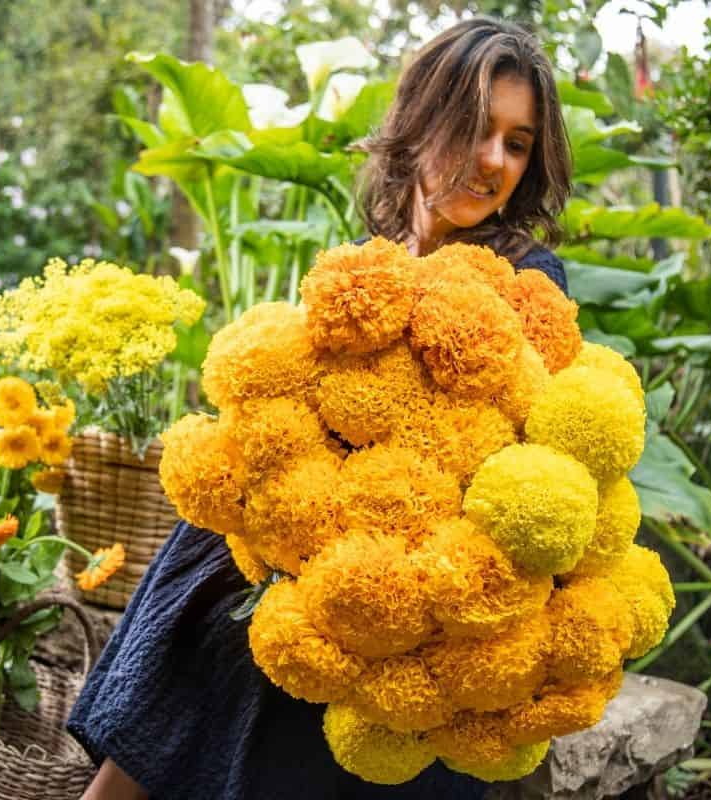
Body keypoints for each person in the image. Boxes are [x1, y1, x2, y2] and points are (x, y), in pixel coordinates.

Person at [69, 16, 573, 800]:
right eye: (479, 129)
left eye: (518, 142)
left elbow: (496, 477)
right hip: (309, 527)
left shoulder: (523, 279)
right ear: (425, 121)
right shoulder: (376, 258)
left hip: (408, 566)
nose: (494, 161)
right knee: (202, 596)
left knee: (250, 653)